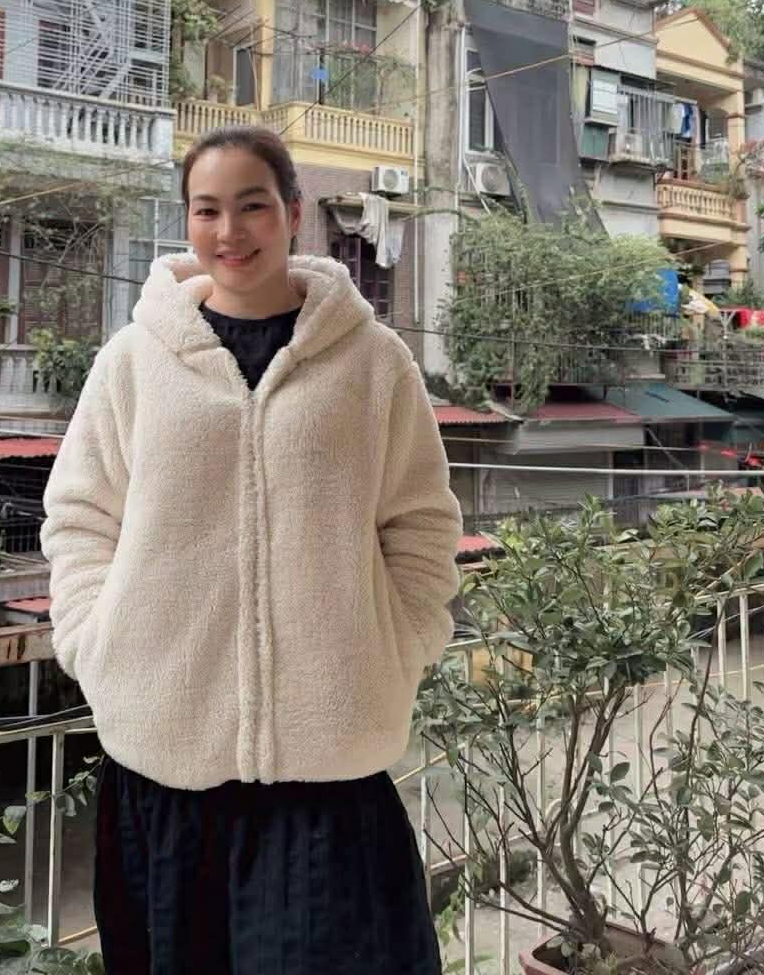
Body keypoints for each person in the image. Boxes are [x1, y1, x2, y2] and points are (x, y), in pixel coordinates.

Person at [40, 125, 463, 974]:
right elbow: (81, 517)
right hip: (165, 762)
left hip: (329, 771)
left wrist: (404, 642)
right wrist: (93, 641)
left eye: (252, 206)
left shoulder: (373, 363)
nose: (229, 231)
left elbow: (420, 523)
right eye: (207, 210)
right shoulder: (133, 362)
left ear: (294, 213)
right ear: (187, 222)